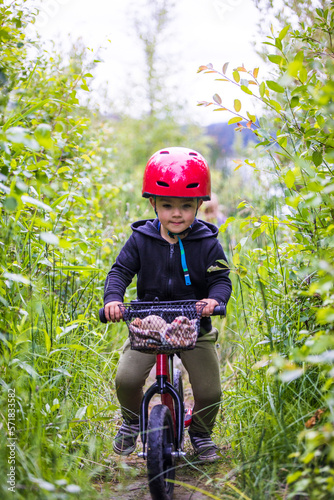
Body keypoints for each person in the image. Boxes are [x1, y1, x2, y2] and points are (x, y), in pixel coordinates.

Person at [103, 147, 232, 462]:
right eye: (167, 205)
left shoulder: (207, 242)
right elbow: (120, 272)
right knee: (128, 379)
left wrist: (214, 300)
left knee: (210, 391)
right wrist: (113, 300)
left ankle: (201, 433)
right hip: (148, 325)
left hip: (193, 325)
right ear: (153, 204)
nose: (177, 214)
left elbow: (220, 278)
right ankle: (133, 422)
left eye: (187, 206)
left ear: (200, 204)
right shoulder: (140, 240)